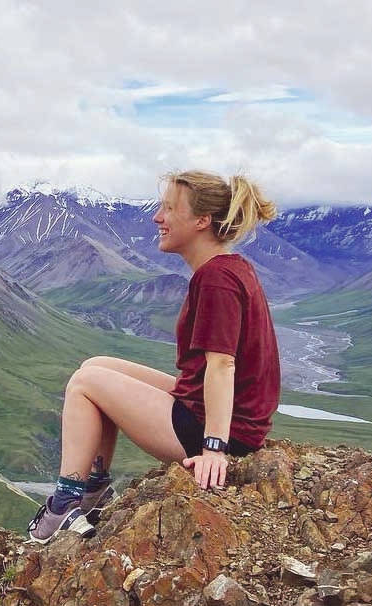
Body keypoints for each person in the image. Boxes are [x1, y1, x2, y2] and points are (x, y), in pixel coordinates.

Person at [26, 171, 281, 543]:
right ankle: (95, 490)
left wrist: (214, 449)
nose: (157, 218)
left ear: (201, 221)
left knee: (84, 384)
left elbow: (223, 364)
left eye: (168, 209)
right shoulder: (230, 267)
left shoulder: (216, 280)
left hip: (216, 430)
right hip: (210, 412)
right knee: (96, 366)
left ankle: (63, 505)